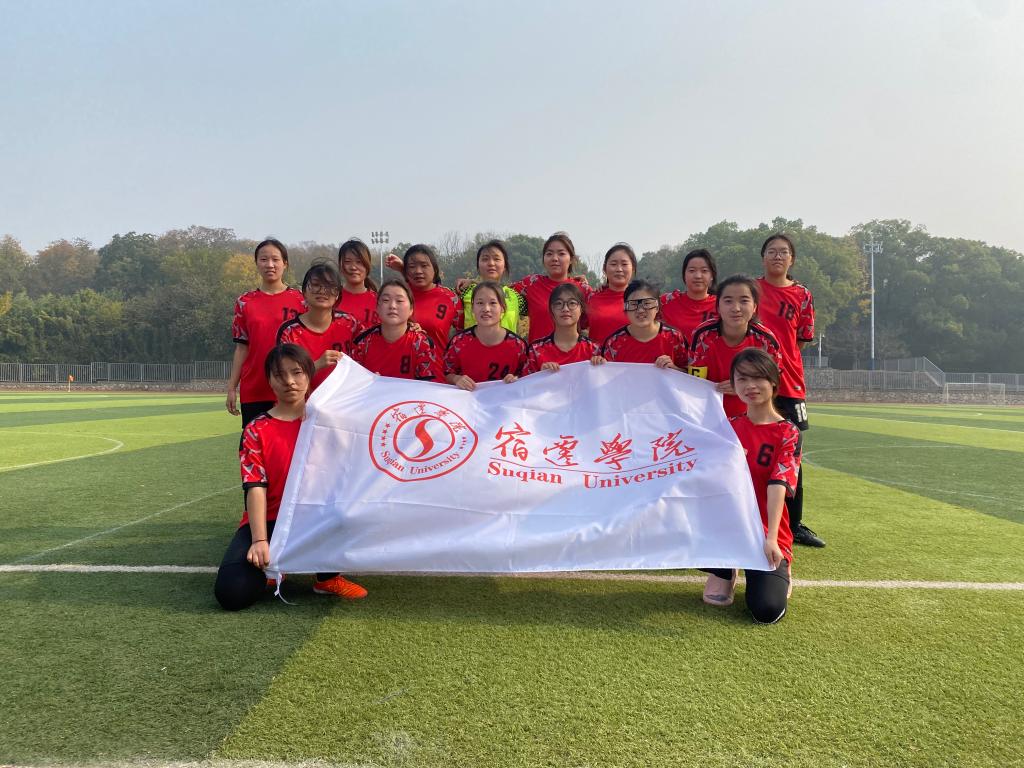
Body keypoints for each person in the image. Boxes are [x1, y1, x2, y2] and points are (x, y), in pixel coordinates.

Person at [214, 344, 367, 611]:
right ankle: (275, 568)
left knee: (348, 514)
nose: (289, 381)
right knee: (231, 592)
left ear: (309, 374)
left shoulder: (326, 423)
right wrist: (259, 540)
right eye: (279, 375)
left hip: (315, 519)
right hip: (271, 520)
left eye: (296, 372)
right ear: (270, 381)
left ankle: (327, 578)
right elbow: (255, 487)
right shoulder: (256, 429)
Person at [701, 348, 800, 624]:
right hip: (729, 524)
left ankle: (782, 566)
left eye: (758, 378)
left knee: (766, 610)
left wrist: (771, 539)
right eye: (742, 379)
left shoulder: (788, 432)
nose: (750, 386)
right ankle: (725, 570)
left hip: (765, 527)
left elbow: (778, 484)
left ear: (773, 382)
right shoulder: (726, 428)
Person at [755, 233, 823, 547]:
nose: (777, 256)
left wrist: (780, 363)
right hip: (753, 380)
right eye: (772, 251)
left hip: (789, 382)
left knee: (792, 454)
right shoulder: (751, 289)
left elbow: (801, 339)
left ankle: (794, 524)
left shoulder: (802, 295)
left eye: (783, 252)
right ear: (763, 257)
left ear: (792, 259)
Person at [226, 238, 306, 427]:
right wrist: (232, 387)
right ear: (256, 263)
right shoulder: (244, 302)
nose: (270, 264)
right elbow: (242, 348)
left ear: (285, 264)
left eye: (275, 259)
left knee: (291, 443)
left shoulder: (301, 301)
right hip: (255, 388)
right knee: (254, 443)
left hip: (291, 386)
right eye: (263, 259)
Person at [687, 275, 783, 419]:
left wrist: (740, 387)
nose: (736, 308)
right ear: (718, 307)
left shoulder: (766, 341)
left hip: (752, 418)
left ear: (755, 306)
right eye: (728, 301)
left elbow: (773, 383)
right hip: (709, 416)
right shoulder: (703, 336)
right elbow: (695, 381)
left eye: (744, 301)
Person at [276, 262, 361, 393]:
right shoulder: (289, 331)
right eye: (315, 285)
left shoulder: (350, 324)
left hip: (343, 401)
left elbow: (363, 363)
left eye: (329, 286)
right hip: (303, 403)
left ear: (337, 294)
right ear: (304, 291)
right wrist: (317, 365)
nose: (322, 291)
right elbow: (284, 378)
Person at [351, 278, 444, 381]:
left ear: (411, 309)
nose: (392, 306)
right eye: (386, 300)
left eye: (399, 301)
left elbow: (427, 387)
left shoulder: (422, 344)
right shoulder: (362, 342)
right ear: (377, 307)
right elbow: (353, 382)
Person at [444, 281, 529, 390]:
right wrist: (456, 379)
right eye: (480, 303)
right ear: (472, 308)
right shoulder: (459, 342)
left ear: (503, 308)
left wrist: (516, 379)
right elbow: (446, 372)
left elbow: (528, 377)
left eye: (493, 303)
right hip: (468, 399)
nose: (486, 309)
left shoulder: (518, 346)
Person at [511, 231, 594, 343]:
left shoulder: (583, 289)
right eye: (549, 254)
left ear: (571, 259)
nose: (554, 258)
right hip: (538, 352)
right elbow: (501, 295)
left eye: (561, 254)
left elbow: (596, 321)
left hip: (572, 353)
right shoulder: (531, 283)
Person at [596, 279, 688, 369]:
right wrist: (597, 363)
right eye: (633, 304)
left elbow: (690, 374)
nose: (640, 310)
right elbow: (604, 374)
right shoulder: (614, 342)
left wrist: (674, 368)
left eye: (647, 303)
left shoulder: (674, 338)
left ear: (657, 307)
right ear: (625, 309)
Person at [397, 244, 463, 350]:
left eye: (424, 266)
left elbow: (464, 334)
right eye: (412, 266)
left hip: (438, 359)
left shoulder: (450, 298)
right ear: (405, 271)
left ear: (435, 269)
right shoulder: (397, 295)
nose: (418, 271)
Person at [523, 283, 598, 374]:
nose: (565, 309)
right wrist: (540, 375)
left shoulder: (594, 350)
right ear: (551, 310)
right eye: (559, 303)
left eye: (572, 303)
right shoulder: (535, 351)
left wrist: (600, 365)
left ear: (581, 309)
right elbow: (525, 382)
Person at [458, 240, 525, 333]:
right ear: (478, 266)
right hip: (472, 342)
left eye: (496, 259)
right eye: (485, 259)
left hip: (507, 342)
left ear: (505, 266)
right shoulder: (464, 291)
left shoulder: (515, 296)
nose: (491, 263)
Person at [660, 248, 719, 343]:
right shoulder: (665, 302)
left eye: (704, 271)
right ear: (684, 274)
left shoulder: (722, 304)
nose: (698, 276)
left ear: (712, 276)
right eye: (692, 271)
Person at [585, 243, 636, 346]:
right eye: (613, 264)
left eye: (624, 264)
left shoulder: (642, 300)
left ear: (633, 268)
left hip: (633, 355)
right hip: (597, 356)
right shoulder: (592, 298)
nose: (619, 269)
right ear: (604, 268)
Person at [336, 238, 378, 328]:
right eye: (348, 262)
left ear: (368, 265)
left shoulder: (380, 302)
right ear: (340, 265)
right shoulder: (331, 298)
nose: (353, 267)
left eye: (359, 262)